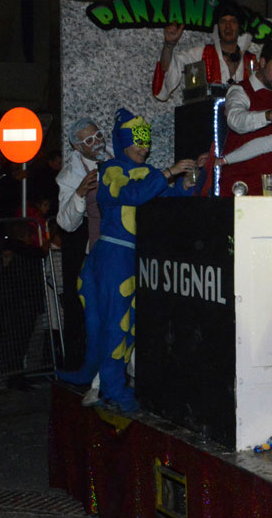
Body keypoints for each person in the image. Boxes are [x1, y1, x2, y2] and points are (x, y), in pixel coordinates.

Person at [57, 108, 202, 412]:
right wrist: (169, 173)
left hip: (127, 258)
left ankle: (104, 382)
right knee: (114, 326)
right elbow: (131, 195)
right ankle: (112, 388)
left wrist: (186, 185)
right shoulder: (111, 170)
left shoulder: (147, 173)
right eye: (138, 141)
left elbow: (162, 203)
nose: (144, 147)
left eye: (146, 141)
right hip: (111, 257)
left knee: (123, 325)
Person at [55, 118, 107, 387]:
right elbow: (65, 223)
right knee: (89, 313)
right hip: (92, 247)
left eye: (97, 135)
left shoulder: (114, 157)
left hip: (120, 242)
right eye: (88, 140)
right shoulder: (69, 175)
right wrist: (79, 193)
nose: (96, 142)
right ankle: (86, 370)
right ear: (77, 146)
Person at [214, 38, 272, 197]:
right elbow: (235, 120)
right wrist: (267, 115)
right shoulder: (240, 90)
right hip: (240, 185)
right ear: (263, 62)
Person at [154, 0, 257, 101]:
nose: (228, 27)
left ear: (240, 26)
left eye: (233, 21)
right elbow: (168, 67)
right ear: (217, 26)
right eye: (223, 22)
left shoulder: (251, 61)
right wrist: (169, 45)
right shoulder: (202, 53)